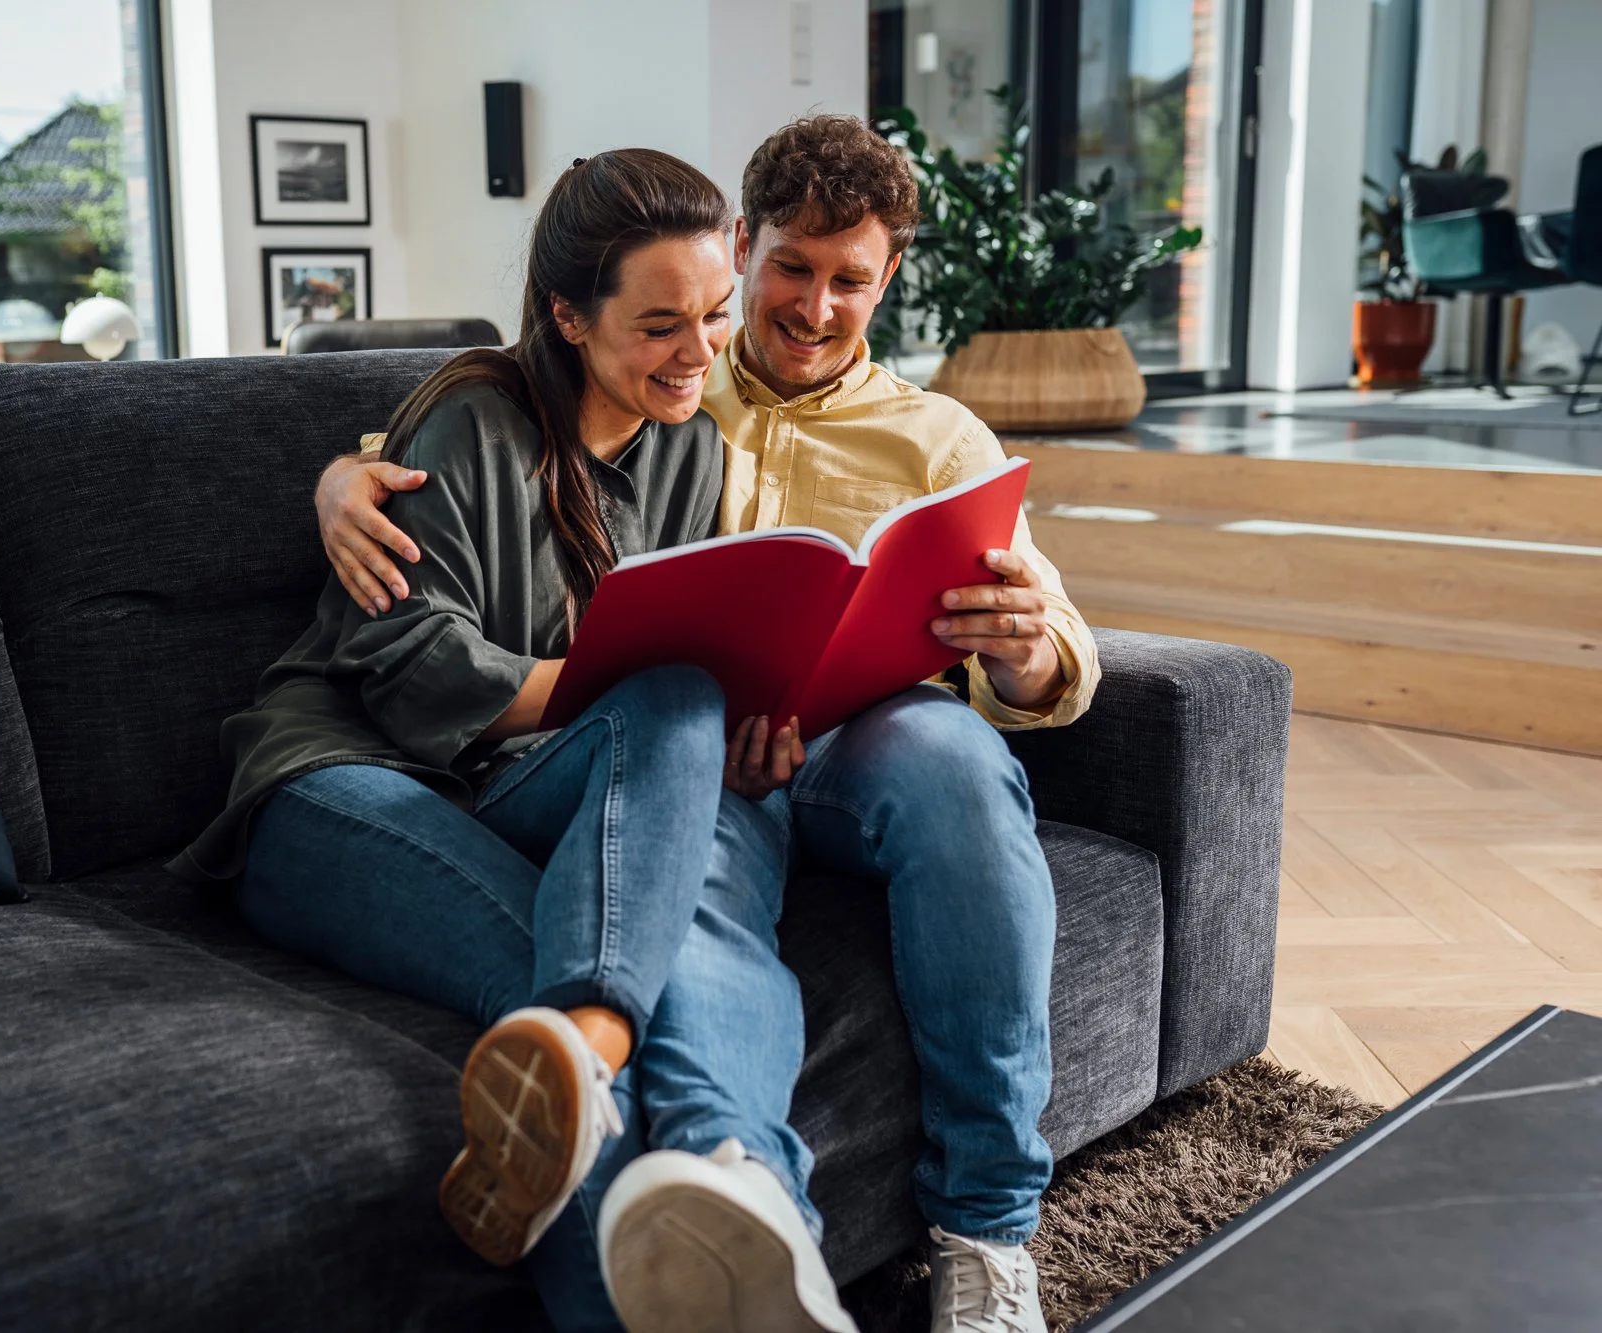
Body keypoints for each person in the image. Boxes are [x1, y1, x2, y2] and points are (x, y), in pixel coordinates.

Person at [315, 115, 1101, 1333]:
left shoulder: (942, 440)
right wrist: (338, 475)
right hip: (695, 745)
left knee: (957, 758)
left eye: (851, 280)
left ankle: (985, 1228)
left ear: (887, 278)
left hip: (860, 745)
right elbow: (481, 441)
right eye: (789, 268)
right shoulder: (678, 379)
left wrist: (1028, 647)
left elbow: (1056, 651)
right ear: (745, 244)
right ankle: (744, 1191)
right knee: (693, 856)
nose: (813, 306)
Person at [173, 149, 856, 1333]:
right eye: (657, 324)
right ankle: (605, 1060)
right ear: (564, 313)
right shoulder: (467, 420)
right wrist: (613, 679)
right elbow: (399, 665)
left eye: (710, 313)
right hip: (341, 781)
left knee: (688, 720)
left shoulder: (688, 447)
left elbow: (649, 682)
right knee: (557, 1020)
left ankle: (745, 1185)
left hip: (505, 784)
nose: (700, 353)